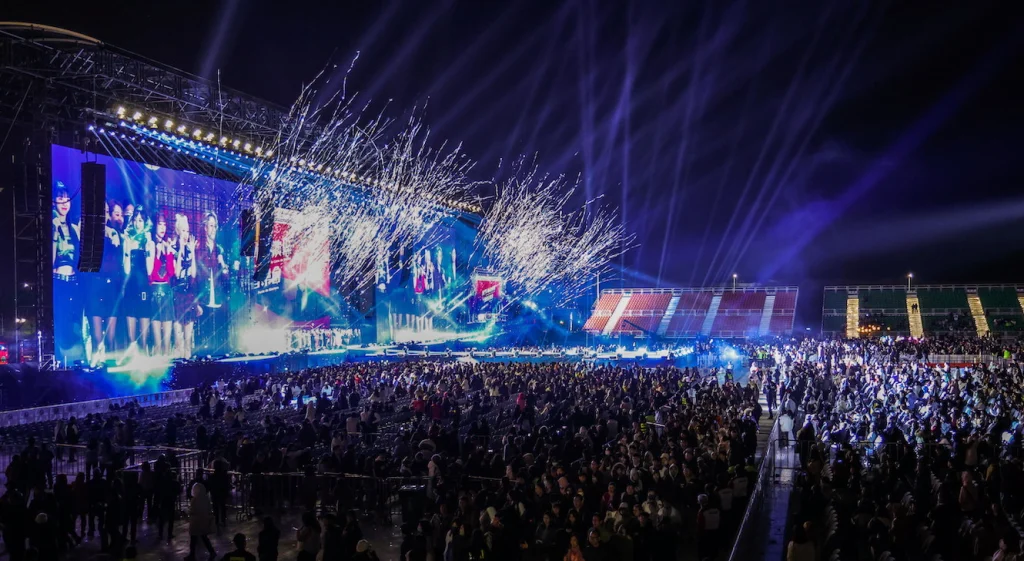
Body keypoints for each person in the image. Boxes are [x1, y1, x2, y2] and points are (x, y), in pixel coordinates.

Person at [52, 182, 84, 362]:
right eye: (60, 198)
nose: (64, 202)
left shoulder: (73, 228)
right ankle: (62, 360)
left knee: (74, 320)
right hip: (58, 281)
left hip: (74, 281)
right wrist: (54, 233)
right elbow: (49, 260)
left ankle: (76, 359)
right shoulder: (52, 225)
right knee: (62, 320)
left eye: (67, 198)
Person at [195, 212, 230, 354]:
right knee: (204, 337)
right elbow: (195, 277)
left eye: (215, 226)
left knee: (219, 336)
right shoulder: (198, 248)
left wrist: (224, 267)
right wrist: (196, 302)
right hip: (203, 298)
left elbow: (226, 278)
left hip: (218, 298)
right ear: (205, 228)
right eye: (211, 226)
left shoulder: (219, 249)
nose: (213, 229)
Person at [122, 206, 154, 354]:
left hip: (143, 287)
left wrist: (148, 247)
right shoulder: (128, 241)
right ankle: (132, 354)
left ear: (145, 222)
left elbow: (150, 270)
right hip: (130, 285)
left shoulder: (150, 243)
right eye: (135, 220)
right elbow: (126, 270)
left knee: (144, 317)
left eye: (140, 220)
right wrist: (128, 247)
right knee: (130, 317)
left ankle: (144, 354)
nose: (137, 223)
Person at [149, 212, 176, 356]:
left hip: (166, 290)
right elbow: (151, 274)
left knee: (167, 344)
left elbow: (171, 272)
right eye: (160, 224)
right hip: (154, 291)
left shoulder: (167, 245)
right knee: (157, 343)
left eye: (164, 225)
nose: (162, 228)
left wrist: (169, 253)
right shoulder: (150, 244)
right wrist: (157, 254)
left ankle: (167, 360)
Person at [173, 213, 198, 357]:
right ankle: (179, 362)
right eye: (183, 230)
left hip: (189, 295)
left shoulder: (190, 249)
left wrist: (192, 252)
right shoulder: (173, 248)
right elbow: (177, 274)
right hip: (177, 296)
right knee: (179, 340)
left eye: (187, 231)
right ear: (178, 231)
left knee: (188, 339)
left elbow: (193, 274)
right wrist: (181, 249)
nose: (186, 234)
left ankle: (188, 359)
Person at [187, 482, 217, 561]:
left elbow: (192, 511)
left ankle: (192, 555)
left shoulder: (194, 500)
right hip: (204, 521)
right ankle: (212, 552)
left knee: (193, 539)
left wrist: (188, 511)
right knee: (204, 537)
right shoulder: (206, 499)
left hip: (195, 522)